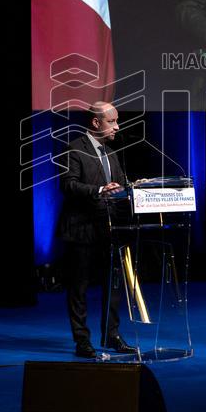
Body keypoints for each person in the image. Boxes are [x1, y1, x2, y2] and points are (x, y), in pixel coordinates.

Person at [56, 101, 134, 358]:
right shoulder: (75, 149)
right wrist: (99, 190)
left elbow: (120, 185)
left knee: (112, 286)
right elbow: (68, 185)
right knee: (79, 288)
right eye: (112, 121)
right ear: (96, 122)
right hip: (80, 230)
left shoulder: (111, 153)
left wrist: (134, 187)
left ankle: (111, 335)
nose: (117, 126)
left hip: (108, 230)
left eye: (117, 120)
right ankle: (82, 340)